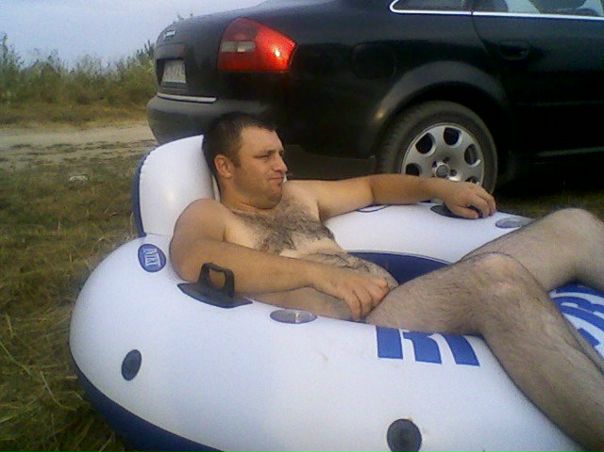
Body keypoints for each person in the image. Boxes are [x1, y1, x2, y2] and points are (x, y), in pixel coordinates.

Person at [170, 112, 604, 451]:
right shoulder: (211, 214)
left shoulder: (299, 197)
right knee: (496, 279)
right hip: (360, 329)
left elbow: (373, 187)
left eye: (281, 154)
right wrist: (318, 274)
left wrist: (439, 187)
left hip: (402, 300)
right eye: (265, 157)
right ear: (225, 166)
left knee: (574, 225)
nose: (282, 166)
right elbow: (194, 256)